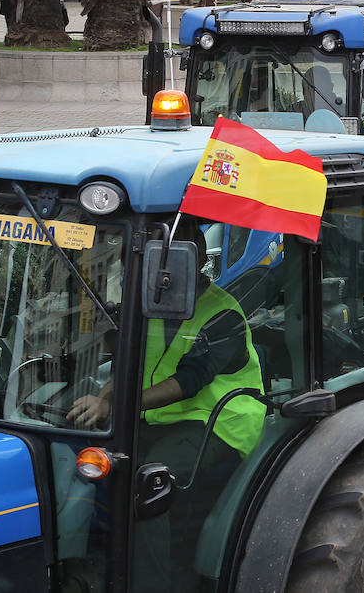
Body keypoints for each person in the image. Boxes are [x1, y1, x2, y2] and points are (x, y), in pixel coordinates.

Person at [68, 247, 264, 590]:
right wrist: (104, 396)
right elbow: (136, 360)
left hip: (219, 422)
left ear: (194, 256)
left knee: (147, 479)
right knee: (91, 454)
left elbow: (187, 381)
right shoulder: (154, 301)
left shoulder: (222, 313)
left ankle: (149, 585)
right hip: (162, 417)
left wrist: (116, 407)